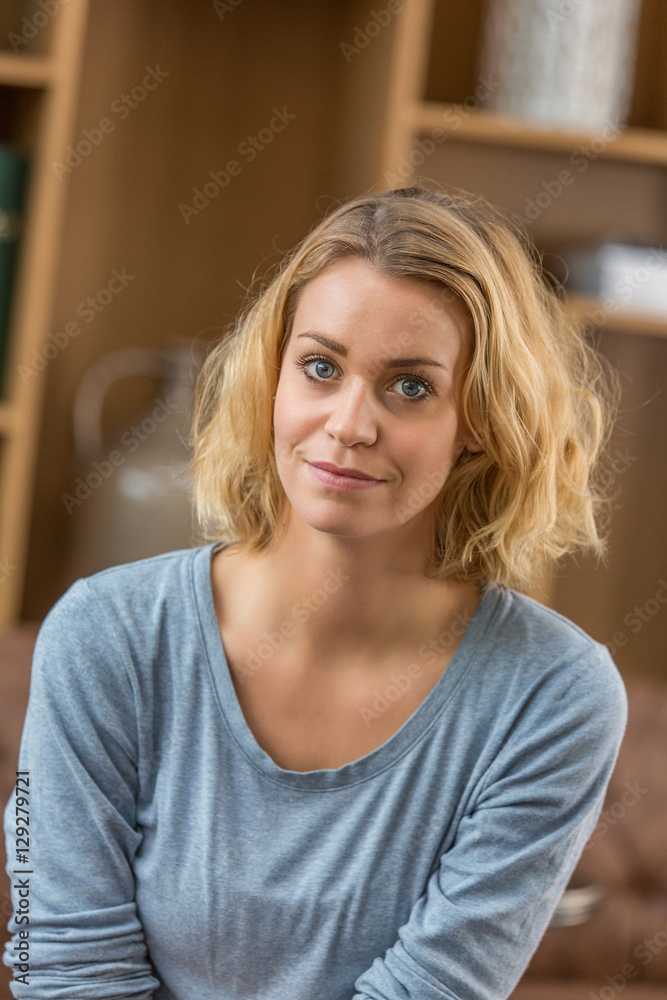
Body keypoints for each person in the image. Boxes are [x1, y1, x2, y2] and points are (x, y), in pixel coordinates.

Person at [3, 185, 628, 1000]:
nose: (348, 425)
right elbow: (63, 965)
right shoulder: (104, 635)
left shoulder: (553, 695)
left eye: (409, 387)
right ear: (273, 377)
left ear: (478, 418)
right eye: (320, 368)